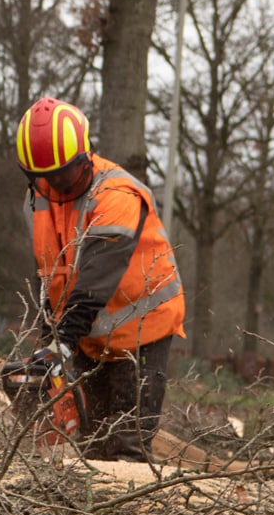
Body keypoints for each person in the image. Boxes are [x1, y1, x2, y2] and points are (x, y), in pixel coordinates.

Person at [15, 96, 185, 460]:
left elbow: (95, 280)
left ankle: (136, 509)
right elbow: (47, 275)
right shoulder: (37, 201)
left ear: (85, 156)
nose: (57, 186)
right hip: (88, 333)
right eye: (46, 180)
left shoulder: (117, 195)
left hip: (141, 329)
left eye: (65, 175)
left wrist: (62, 342)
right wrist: (48, 339)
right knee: (93, 446)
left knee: (126, 447)